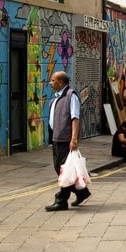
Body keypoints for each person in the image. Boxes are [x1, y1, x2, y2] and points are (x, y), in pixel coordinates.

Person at [45, 71, 91, 211]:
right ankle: (82, 192)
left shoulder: (71, 96)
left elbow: (74, 118)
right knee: (60, 168)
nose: (50, 83)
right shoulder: (56, 97)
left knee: (64, 170)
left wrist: (74, 139)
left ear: (61, 82)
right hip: (56, 138)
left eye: (53, 80)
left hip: (65, 139)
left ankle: (61, 200)